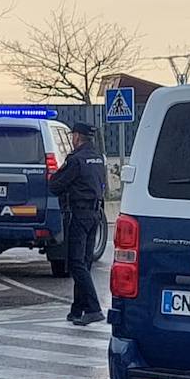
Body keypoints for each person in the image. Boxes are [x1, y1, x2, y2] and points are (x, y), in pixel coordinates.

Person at [48, 121, 108, 325]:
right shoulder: (98, 158)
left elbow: (56, 186)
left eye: (73, 135)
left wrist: (52, 177)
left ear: (77, 137)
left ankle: (93, 308)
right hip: (96, 214)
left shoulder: (76, 160)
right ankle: (77, 309)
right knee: (85, 262)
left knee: (76, 263)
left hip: (80, 214)